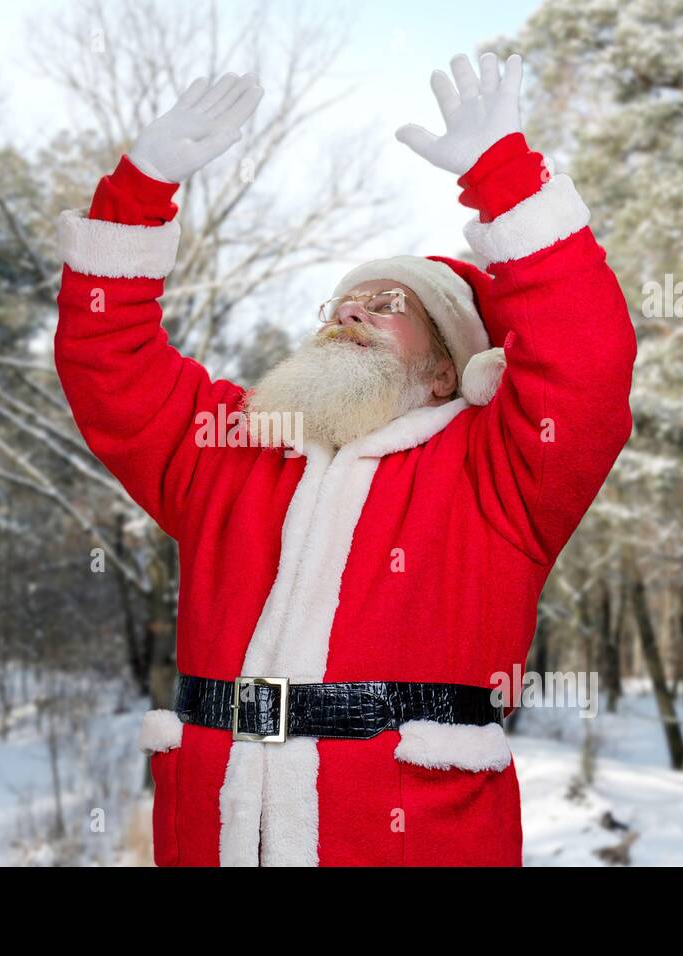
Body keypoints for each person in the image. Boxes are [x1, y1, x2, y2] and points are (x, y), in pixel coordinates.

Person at [54, 52, 636, 866]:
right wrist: (139, 189)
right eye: (344, 302)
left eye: (391, 304)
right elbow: (107, 360)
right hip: (212, 839)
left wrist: (506, 178)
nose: (353, 310)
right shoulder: (236, 446)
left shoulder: (499, 472)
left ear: (445, 369)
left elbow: (587, 362)